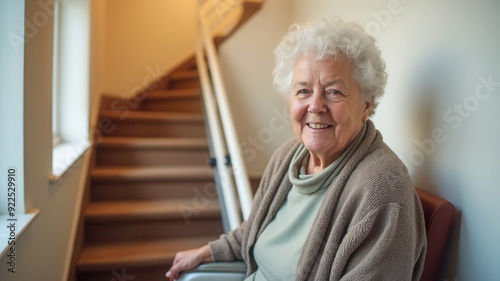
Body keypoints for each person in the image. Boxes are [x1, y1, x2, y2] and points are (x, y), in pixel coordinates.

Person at [166, 17, 426, 281]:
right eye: (303, 90)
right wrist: (206, 252)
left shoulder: (383, 188)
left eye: (333, 92)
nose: (315, 106)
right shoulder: (287, 156)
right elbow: (254, 231)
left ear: (366, 105)